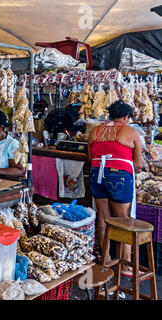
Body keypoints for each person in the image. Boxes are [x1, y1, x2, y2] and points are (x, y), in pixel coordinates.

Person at [88, 100, 145, 277]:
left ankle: (105, 260)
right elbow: (139, 163)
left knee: (103, 218)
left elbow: (91, 157)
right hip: (118, 176)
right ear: (127, 117)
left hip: (97, 174)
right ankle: (125, 265)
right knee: (123, 220)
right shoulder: (130, 131)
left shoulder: (95, 130)